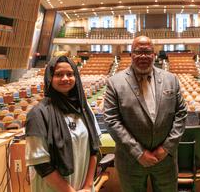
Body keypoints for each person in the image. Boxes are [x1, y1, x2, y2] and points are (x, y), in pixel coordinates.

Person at [103, 36, 187, 192]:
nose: (143, 56)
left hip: (165, 160)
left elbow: (181, 114)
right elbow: (112, 120)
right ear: (131, 55)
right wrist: (138, 152)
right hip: (131, 161)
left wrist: (166, 148)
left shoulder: (171, 80)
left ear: (154, 55)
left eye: (147, 52)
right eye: (138, 51)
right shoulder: (115, 82)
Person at [25, 56, 101, 192]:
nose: (65, 78)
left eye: (70, 74)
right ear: (50, 78)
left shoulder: (84, 108)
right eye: (59, 74)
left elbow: (94, 149)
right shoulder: (38, 114)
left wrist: (88, 187)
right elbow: (41, 164)